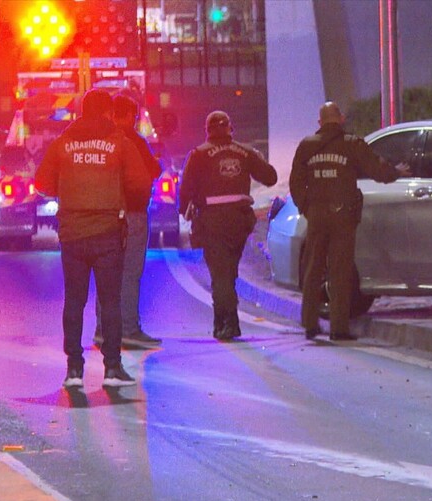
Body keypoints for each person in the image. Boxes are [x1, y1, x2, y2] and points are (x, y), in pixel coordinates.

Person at [35, 89, 152, 388]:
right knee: (110, 301)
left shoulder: (63, 143)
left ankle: (74, 369)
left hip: (72, 233)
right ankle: (112, 368)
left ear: (81, 111)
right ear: (107, 113)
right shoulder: (120, 144)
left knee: (74, 301)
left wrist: (71, 188)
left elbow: (42, 183)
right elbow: (140, 183)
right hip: (108, 233)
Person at [289, 101, 410, 341]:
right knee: (340, 271)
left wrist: (307, 208)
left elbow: (295, 183)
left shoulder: (306, 146)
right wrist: (396, 172)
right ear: (341, 119)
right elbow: (377, 170)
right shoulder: (351, 144)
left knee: (313, 268)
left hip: (317, 216)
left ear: (320, 122)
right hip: (343, 215)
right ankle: (338, 329)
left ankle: (310, 324)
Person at [179, 111, 278, 341]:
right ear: (230, 129)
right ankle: (224, 322)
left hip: (212, 221)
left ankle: (227, 323)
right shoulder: (244, 152)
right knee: (229, 271)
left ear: (208, 130)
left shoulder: (199, 154)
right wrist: (257, 158)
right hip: (240, 221)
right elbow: (271, 178)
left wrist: (184, 212)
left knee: (220, 273)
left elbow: (185, 192)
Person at [93, 94, 163, 350]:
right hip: (132, 215)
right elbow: (152, 171)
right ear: (123, 115)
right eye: (132, 117)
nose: (133, 122)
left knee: (107, 273)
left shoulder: (100, 142)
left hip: (104, 215)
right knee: (130, 273)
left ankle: (102, 329)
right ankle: (129, 329)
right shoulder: (133, 140)